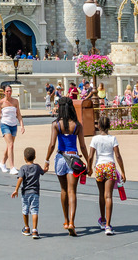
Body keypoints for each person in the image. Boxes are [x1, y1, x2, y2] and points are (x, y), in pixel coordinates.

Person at [44, 97, 91, 236]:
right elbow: (82, 145)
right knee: (72, 191)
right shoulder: (77, 125)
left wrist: (46, 160)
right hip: (74, 158)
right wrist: (89, 163)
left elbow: (52, 144)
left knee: (63, 190)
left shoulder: (56, 124)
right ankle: (72, 222)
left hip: (60, 158)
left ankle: (65, 220)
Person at [88, 115, 126, 236]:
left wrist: (89, 168)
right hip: (110, 165)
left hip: (99, 166)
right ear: (109, 126)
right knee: (108, 196)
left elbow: (90, 156)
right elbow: (118, 155)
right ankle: (108, 226)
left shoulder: (95, 139)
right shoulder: (113, 139)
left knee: (101, 194)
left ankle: (103, 219)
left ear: (98, 126)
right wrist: (123, 171)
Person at [11, 146, 47, 240]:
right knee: (35, 210)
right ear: (34, 157)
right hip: (35, 192)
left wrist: (16, 189)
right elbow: (43, 171)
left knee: (25, 209)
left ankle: (27, 228)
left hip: (25, 192)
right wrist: (46, 168)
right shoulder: (37, 167)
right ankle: (35, 230)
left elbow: (20, 179)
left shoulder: (23, 168)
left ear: (24, 158)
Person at [0, 85, 25, 174]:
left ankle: (2, 163)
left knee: (9, 146)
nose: (9, 92)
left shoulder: (15, 101)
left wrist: (22, 125)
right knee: (11, 144)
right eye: (7, 91)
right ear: (4, 92)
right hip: (5, 125)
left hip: (14, 125)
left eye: (10, 91)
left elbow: (18, 114)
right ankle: (12, 167)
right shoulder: (1, 103)